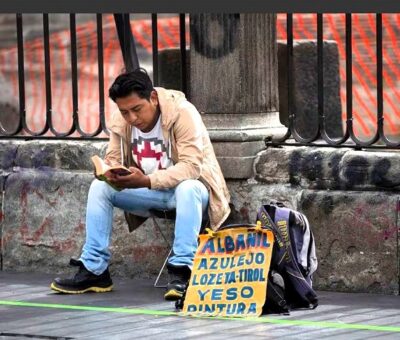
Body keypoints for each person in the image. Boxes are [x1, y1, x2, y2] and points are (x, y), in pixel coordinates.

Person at [50, 68, 231, 301]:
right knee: (100, 188)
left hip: (191, 194)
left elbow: (191, 167)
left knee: (188, 187)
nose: (132, 118)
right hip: (149, 192)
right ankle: (94, 270)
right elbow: (113, 158)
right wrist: (110, 173)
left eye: (137, 109)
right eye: (125, 112)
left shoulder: (183, 113)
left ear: (153, 98)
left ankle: (182, 271)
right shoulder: (121, 120)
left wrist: (146, 180)